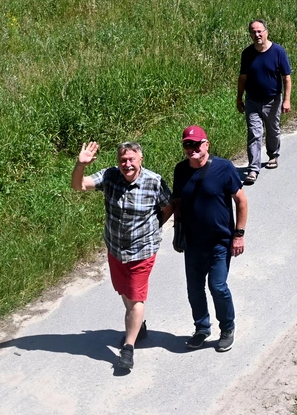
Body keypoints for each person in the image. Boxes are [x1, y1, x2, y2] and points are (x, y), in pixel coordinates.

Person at [72, 140, 172, 374]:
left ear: (140, 159)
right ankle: (140, 327)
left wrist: (155, 229)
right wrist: (80, 165)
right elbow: (78, 186)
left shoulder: (154, 181)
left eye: (131, 159)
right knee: (125, 291)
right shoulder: (110, 176)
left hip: (143, 251)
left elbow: (169, 206)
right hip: (116, 248)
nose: (127, 164)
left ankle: (128, 347)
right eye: (123, 160)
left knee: (136, 298)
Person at [173, 125, 248, 353]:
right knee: (194, 289)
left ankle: (227, 328)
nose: (192, 148)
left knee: (217, 286)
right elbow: (177, 203)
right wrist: (177, 231)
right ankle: (202, 329)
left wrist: (238, 235)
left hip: (220, 241)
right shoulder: (180, 170)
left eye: (196, 144)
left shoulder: (224, 168)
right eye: (188, 144)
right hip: (193, 243)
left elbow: (241, 202)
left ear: (206, 144)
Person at [237, 20, 292, 184]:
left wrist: (287, 100)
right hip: (253, 100)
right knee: (254, 133)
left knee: (273, 130)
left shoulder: (278, 51)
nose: (257, 35)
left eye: (260, 31)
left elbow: (286, 78)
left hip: (273, 100)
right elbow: (242, 78)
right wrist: (239, 98)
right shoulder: (247, 53)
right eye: (253, 32)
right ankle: (253, 169)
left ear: (266, 32)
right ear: (250, 34)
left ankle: (273, 155)